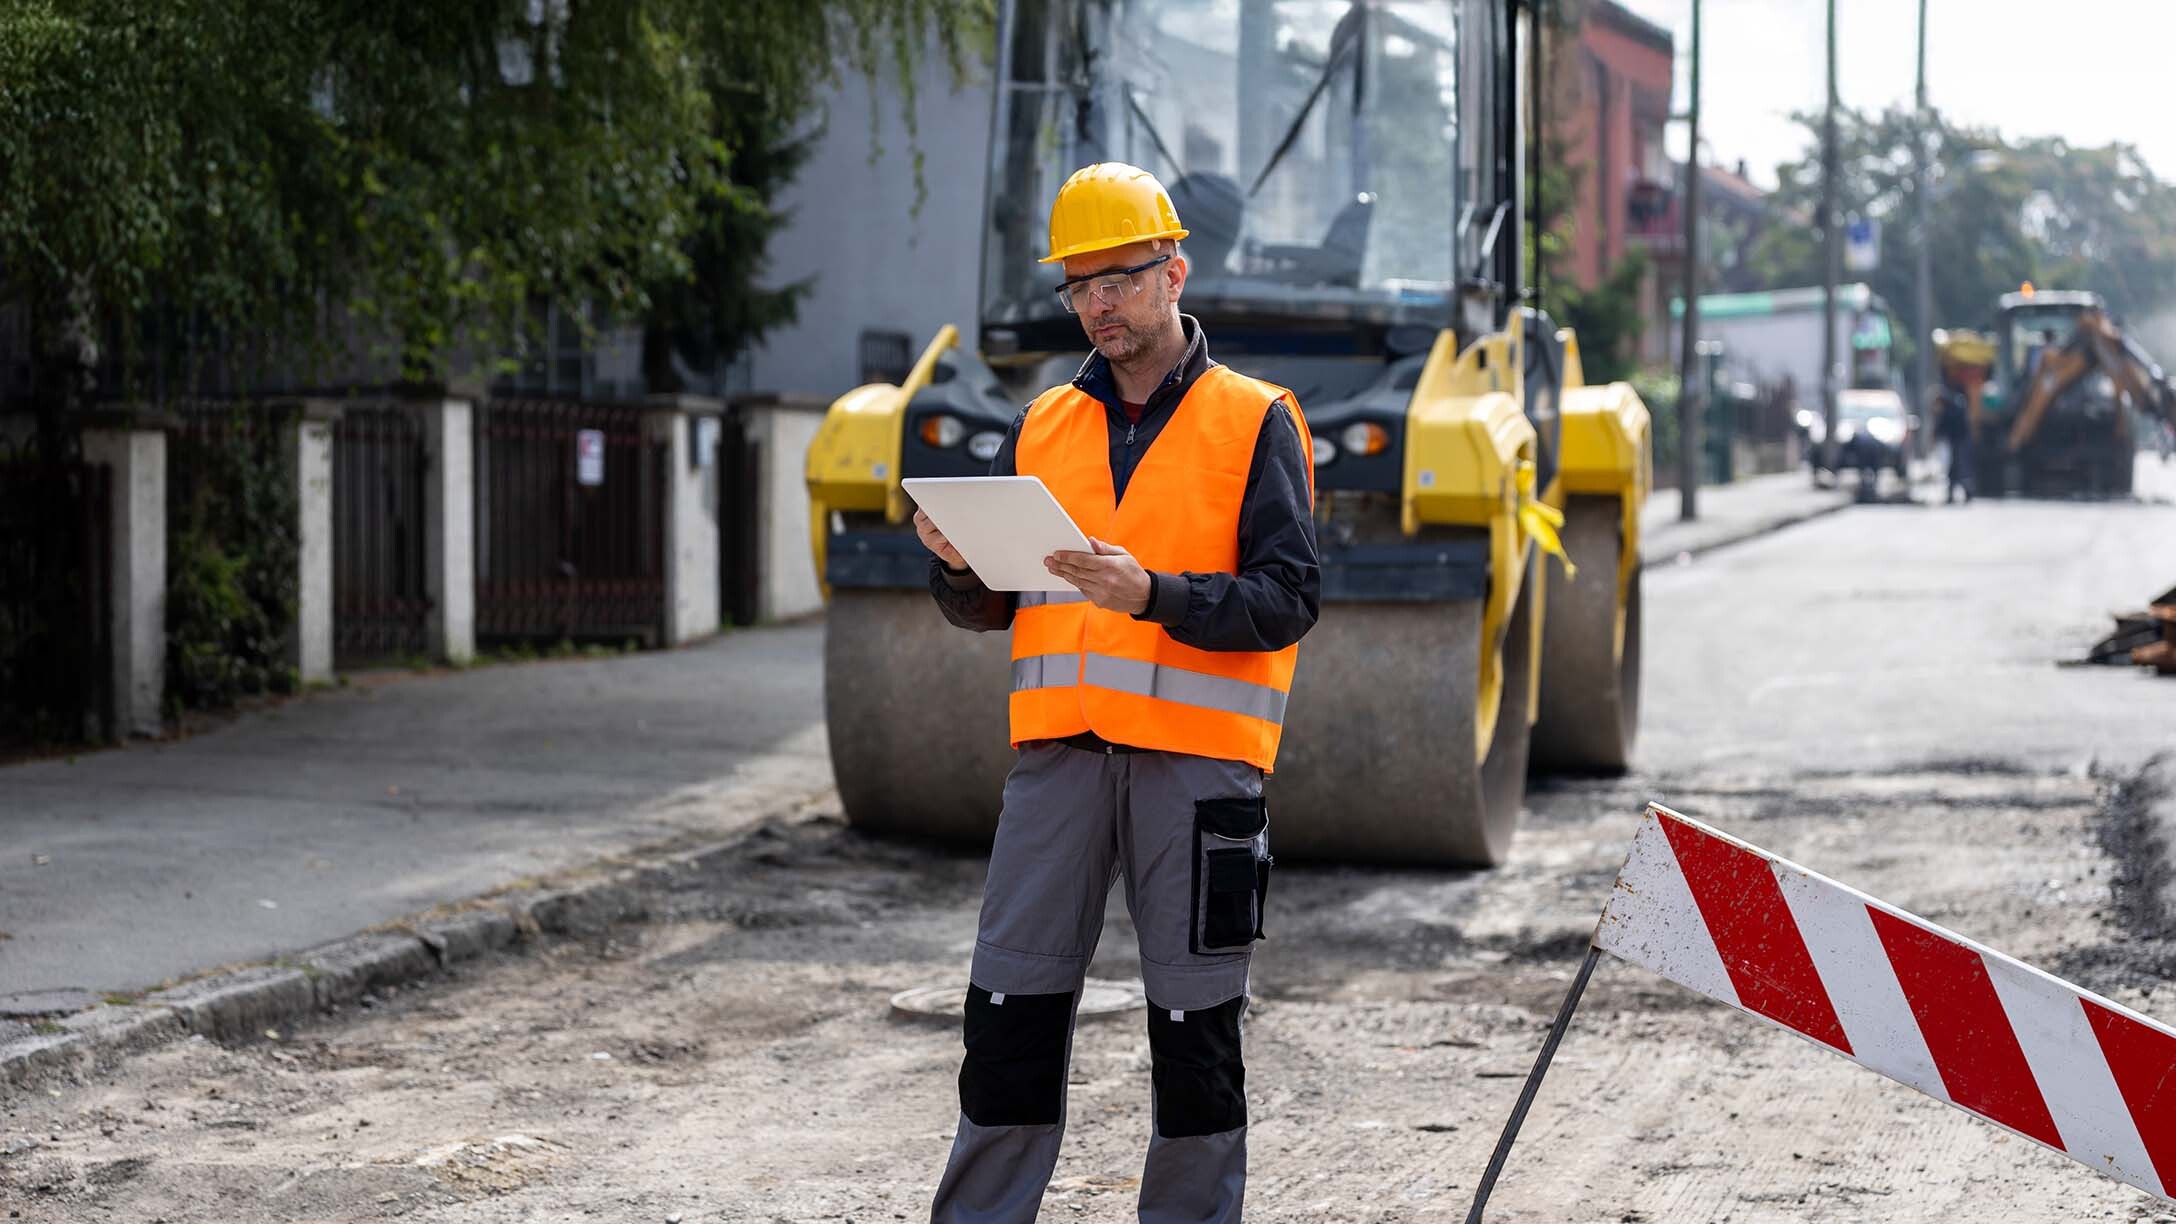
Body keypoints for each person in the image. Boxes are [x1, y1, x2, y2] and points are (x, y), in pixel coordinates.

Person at [915, 161, 1321, 1224]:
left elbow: (1288, 599)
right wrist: (959, 564)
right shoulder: (1044, 420)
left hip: (1198, 774)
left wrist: (1154, 592)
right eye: (1079, 285)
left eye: (1118, 280)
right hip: (1055, 768)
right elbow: (988, 607)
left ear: (1173, 273)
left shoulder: (1254, 419)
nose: (1096, 303)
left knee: (1195, 1032)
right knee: (1008, 1012)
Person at [1931, 329, 1993, 504]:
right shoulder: (1957, 389)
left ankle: (1962, 488)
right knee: (1961, 460)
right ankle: (1962, 488)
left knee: (1960, 460)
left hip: (1958, 429)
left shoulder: (1954, 387)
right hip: (1959, 430)